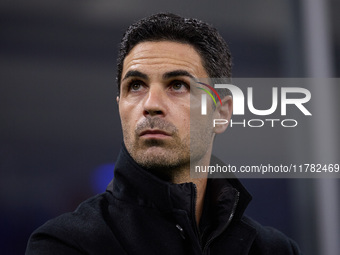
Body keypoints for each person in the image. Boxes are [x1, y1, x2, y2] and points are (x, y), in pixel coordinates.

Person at [26, 13, 301, 254]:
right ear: (120, 104)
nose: (151, 105)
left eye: (178, 85)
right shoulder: (66, 244)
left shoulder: (273, 250)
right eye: (135, 86)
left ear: (222, 112)